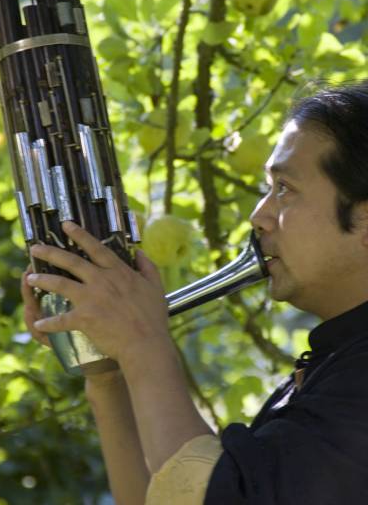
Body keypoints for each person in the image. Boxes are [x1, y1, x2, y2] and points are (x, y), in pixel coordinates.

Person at [21, 82, 368, 504]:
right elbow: (161, 496)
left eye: (284, 189)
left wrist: (143, 343)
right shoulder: (333, 367)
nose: (259, 216)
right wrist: (107, 372)